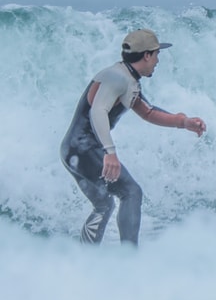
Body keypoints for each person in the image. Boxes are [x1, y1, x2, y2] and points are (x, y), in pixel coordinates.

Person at [60, 28, 207, 246]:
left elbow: (148, 111)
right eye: (156, 54)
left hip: (73, 150)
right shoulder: (117, 78)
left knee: (104, 204)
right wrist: (109, 152)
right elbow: (97, 111)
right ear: (146, 55)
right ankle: (129, 259)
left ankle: (84, 260)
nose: (158, 60)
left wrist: (183, 122)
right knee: (131, 192)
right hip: (85, 149)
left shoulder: (125, 78)